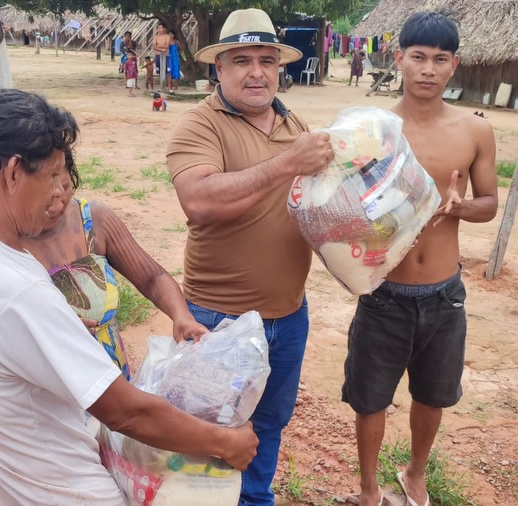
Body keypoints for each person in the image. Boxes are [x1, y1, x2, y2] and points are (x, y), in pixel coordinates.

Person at [0, 88, 258, 505]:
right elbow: (127, 412)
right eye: (52, 174)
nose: (61, 190)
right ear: (13, 173)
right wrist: (225, 442)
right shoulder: (16, 290)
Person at [166, 8, 333, 506]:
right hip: (219, 319)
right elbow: (200, 201)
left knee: (269, 424)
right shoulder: (199, 125)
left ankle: (256, 499)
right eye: (241, 61)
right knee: (210, 430)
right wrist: (287, 162)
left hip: (289, 314)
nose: (256, 72)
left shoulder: (294, 123)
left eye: (266, 60)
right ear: (219, 68)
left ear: (280, 67)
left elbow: (315, 203)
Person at [342, 11, 498, 506]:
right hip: (384, 292)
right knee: (370, 398)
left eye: (440, 59)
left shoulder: (475, 131)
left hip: (444, 294)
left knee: (433, 395)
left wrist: (459, 206)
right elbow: (344, 205)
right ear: (399, 59)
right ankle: (369, 488)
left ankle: (415, 473)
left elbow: (489, 204)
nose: (428, 69)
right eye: (418, 57)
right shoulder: (373, 131)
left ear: (454, 65)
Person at [22, 152, 202, 383]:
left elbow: (152, 277)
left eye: (65, 188)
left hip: (112, 379)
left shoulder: (93, 220)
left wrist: (181, 316)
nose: (57, 204)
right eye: (45, 197)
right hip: (47, 386)